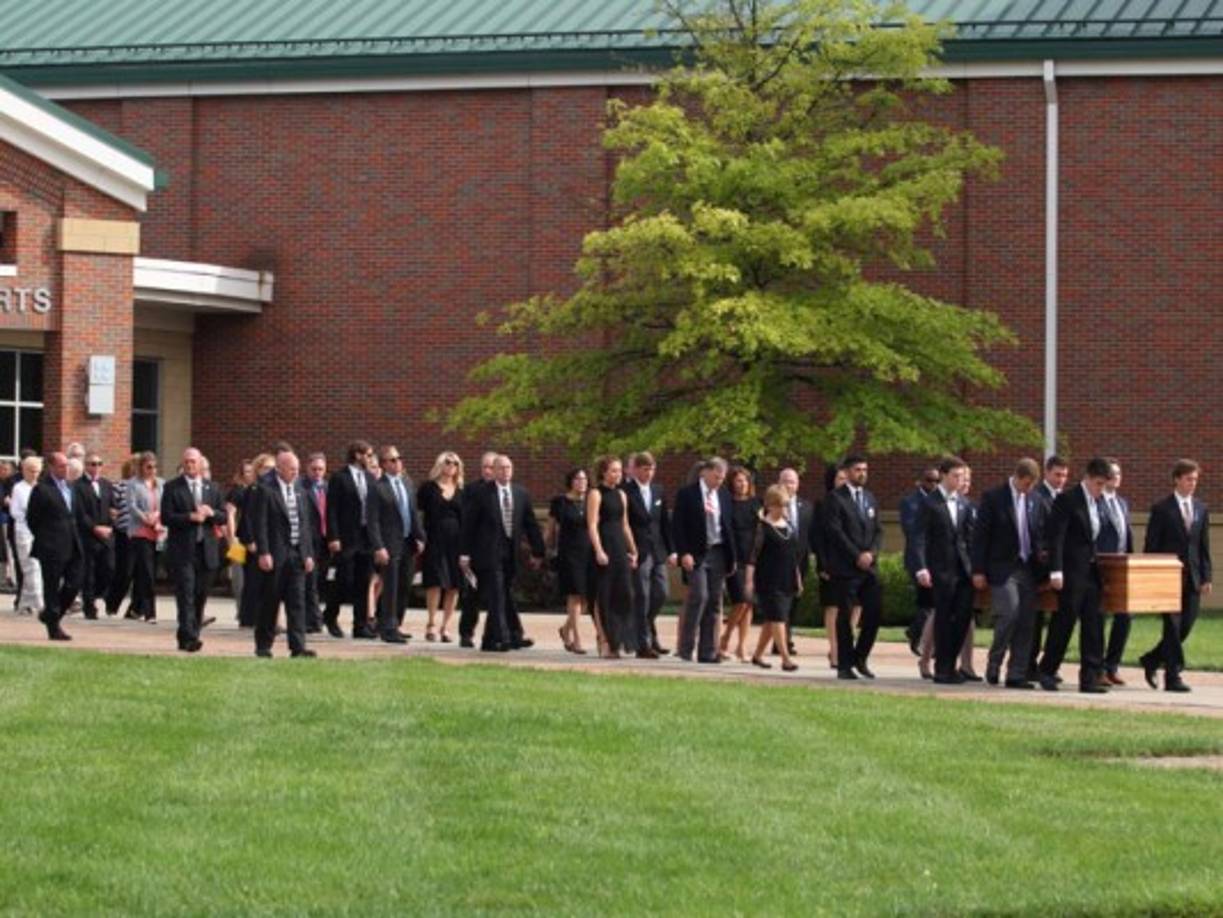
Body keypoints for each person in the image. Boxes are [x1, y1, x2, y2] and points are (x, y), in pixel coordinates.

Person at [1038, 457, 1112, 693]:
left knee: (1094, 624)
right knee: (1065, 622)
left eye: (1104, 485)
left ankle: (1089, 678)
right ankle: (1047, 670)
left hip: (1091, 571)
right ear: (1087, 478)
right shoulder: (1068, 500)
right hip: (1070, 571)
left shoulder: (1098, 503)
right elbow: (1056, 537)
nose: (1101, 489)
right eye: (1098, 483)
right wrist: (1056, 570)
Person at [1138, 459, 1212, 693]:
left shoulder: (1201, 508)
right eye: (1189, 479)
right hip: (1167, 577)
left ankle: (1151, 659)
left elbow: (1203, 546)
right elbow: (1151, 545)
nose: (1193, 483)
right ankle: (1174, 676)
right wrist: (1152, 575)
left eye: (1195, 479)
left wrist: (1206, 577)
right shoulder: (1162, 509)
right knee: (1172, 626)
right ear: (1177, 479)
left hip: (1193, 577)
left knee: (1185, 626)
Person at [459, 454, 545, 652]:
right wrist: (464, 553)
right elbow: (469, 526)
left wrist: (538, 550)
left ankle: (490, 640)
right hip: (488, 553)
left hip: (510, 552)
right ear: (494, 471)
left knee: (503, 594)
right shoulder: (481, 494)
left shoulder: (520, 493)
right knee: (497, 594)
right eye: (501, 468)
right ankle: (502, 637)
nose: (505, 471)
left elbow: (530, 524)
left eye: (508, 468)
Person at [972, 458, 1042, 689]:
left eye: (1032, 485)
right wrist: (978, 569)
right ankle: (995, 662)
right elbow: (980, 536)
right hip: (1002, 568)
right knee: (1009, 613)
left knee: (1026, 620)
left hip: (1027, 567)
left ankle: (1017, 673)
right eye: (1027, 484)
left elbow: (1039, 532)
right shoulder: (994, 498)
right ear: (1018, 477)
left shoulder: (1035, 499)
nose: (1029, 489)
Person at [912, 457, 974, 684]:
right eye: (955, 476)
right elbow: (918, 537)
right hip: (940, 569)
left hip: (963, 570)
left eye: (962, 476)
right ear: (944, 475)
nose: (960, 480)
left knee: (963, 617)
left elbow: (969, 537)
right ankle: (943, 669)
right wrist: (921, 567)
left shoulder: (964, 503)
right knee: (944, 619)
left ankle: (950, 663)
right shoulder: (930, 503)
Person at [252, 448, 318, 658]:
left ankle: (298, 647)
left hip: (296, 555)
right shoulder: (266, 490)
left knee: (297, 602)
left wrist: (307, 554)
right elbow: (260, 523)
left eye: (297, 468)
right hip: (275, 554)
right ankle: (263, 646)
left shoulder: (300, 490)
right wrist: (264, 552)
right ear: (279, 469)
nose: (295, 472)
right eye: (291, 469)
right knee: (270, 601)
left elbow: (305, 524)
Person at [823, 454, 884, 679]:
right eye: (858, 470)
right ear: (847, 472)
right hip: (846, 568)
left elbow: (878, 530)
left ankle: (861, 657)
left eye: (865, 470)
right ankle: (844, 664)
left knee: (875, 612)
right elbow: (835, 532)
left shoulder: (869, 497)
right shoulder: (835, 499)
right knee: (846, 616)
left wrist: (871, 553)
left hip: (869, 568)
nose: (862, 474)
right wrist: (856, 555)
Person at [672, 457, 736, 664]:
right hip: (696, 552)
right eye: (716, 476)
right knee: (699, 596)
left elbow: (728, 527)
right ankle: (685, 647)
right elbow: (678, 526)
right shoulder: (687, 494)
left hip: (718, 551)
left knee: (714, 601)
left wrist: (732, 558)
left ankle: (708, 651)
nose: (719, 481)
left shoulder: (724, 495)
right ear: (705, 472)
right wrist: (684, 553)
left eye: (722, 478)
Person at [162, 447, 225, 653]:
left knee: (200, 595)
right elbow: (166, 517)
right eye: (187, 461)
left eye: (193, 462)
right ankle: (189, 637)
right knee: (185, 594)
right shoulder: (172, 487)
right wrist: (189, 517)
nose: (190, 465)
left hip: (206, 550)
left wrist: (211, 513)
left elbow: (223, 516)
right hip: (183, 550)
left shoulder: (212, 488)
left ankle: (191, 634)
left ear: (200, 464)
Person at [25, 452, 87, 641]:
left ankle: (50, 614)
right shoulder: (42, 489)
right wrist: (46, 537)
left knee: (74, 582)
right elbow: (32, 518)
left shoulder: (70, 487)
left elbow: (75, 515)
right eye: (61, 466)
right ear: (51, 467)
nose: (65, 469)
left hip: (73, 543)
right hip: (51, 545)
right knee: (51, 586)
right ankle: (54, 627)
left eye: (66, 465)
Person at [367, 445, 424, 644]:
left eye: (399, 458)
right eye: (393, 459)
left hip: (408, 542)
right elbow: (372, 520)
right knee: (390, 586)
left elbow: (413, 513)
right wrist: (378, 546)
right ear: (383, 464)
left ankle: (395, 623)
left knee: (404, 585)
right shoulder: (377, 488)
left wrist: (421, 537)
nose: (398, 462)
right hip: (389, 543)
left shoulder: (407, 483)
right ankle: (388, 629)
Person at [621, 451, 675, 656]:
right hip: (638, 550)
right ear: (635, 470)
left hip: (658, 550)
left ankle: (643, 628)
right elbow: (624, 523)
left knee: (661, 592)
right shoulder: (625, 491)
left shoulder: (658, 490)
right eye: (645, 469)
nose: (649, 473)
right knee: (642, 595)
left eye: (652, 469)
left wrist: (672, 550)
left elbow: (664, 523)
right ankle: (643, 645)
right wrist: (628, 550)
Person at [587, 455, 640, 658]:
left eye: (619, 470)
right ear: (603, 472)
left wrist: (633, 550)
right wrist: (599, 550)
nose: (618, 474)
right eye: (614, 471)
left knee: (625, 594)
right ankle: (605, 640)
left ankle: (619, 638)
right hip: (604, 546)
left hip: (619, 547)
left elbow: (625, 525)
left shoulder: (621, 494)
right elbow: (592, 525)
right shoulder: (595, 494)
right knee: (604, 595)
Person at [325, 440, 377, 639]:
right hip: (346, 537)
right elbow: (331, 509)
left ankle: (360, 625)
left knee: (364, 581)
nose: (371, 459)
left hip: (366, 537)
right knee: (344, 579)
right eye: (368, 455)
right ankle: (330, 615)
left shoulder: (370, 478)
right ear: (357, 455)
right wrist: (333, 536)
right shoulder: (340, 478)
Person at [746, 485, 801, 672]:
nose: (781, 509)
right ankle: (786, 659)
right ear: (769, 505)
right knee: (779, 617)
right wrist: (749, 581)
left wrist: (797, 577)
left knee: (772, 619)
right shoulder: (762, 527)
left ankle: (757, 655)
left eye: (784, 505)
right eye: (778, 505)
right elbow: (752, 556)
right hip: (768, 579)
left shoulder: (789, 526)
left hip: (787, 577)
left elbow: (793, 555)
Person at [1026, 454, 1069, 680]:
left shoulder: (1065, 498)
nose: (1061, 480)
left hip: (1060, 565)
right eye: (1057, 475)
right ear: (1047, 472)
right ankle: (1029, 664)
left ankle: (1048, 665)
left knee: (1058, 616)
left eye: (1064, 475)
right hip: (1039, 566)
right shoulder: (1036, 496)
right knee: (1035, 618)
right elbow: (1035, 529)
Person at [418, 452, 464, 642]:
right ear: (440, 464)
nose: (451, 466)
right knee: (435, 582)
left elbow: (466, 520)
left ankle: (446, 626)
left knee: (454, 585)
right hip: (434, 541)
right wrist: (419, 537)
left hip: (456, 543)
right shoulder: (428, 488)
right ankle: (431, 624)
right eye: (448, 462)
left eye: (455, 463)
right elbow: (418, 514)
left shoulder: (462, 491)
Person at [1096, 459, 1133, 686]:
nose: (1117, 477)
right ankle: (1098, 667)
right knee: (1098, 617)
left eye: (1119, 473)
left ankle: (1112, 665)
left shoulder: (1122, 503)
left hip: (1121, 567)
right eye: (1113, 473)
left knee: (1125, 616)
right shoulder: (1096, 502)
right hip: (1101, 566)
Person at [548, 468, 593, 655]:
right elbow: (551, 528)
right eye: (577, 479)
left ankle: (566, 629)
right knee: (574, 595)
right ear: (570, 482)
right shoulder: (560, 502)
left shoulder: (592, 500)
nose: (581, 482)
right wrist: (545, 550)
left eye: (584, 479)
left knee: (587, 599)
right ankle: (577, 639)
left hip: (589, 553)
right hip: (569, 553)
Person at [718, 465, 760, 662]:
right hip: (735, 558)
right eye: (738, 481)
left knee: (749, 603)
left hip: (753, 558)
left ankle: (742, 646)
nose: (742, 484)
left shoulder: (756, 504)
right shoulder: (727, 503)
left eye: (745, 480)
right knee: (741, 601)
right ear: (732, 483)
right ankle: (725, 637)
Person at [457, 450, 498, 648]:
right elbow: (466, 524)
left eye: (491, 467)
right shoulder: (472, 490)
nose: (488, 471)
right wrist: (465, 552)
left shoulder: (505, 489)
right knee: (472, 595)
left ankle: (501, 633)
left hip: (497, 552)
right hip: (476, 552)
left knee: (499, 595)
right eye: (485, 467)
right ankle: (466, 633)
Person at [901, 465, 942, 655]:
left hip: (937, 559)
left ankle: (915, 631)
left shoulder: (940, 501)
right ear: (920, 481)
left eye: (937, 481)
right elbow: (912, 531)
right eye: (929, 480)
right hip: (917, 560)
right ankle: (917, 635)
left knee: (931, 602)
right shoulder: (910, 502)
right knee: (926, 601)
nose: (934, 484)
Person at [812, 464, 849, 670]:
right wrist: (823, 563)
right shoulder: (822, 505)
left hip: (852, 562)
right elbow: (818, 538)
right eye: (840, 479)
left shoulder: (855, 502)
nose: (844, 482)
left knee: (855, 605)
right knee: (833, 605)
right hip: (831, 563)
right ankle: (835, 650)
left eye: (846, 478)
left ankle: (845, 644)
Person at [775, 467, 813, 655]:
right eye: (785, 481)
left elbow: (811, 534)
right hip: (779, 561)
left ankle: (786, 637)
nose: (788, 485)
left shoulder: (806, 507)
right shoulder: (771, 506)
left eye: (792, 482)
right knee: (781, 601)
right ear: (778, 483)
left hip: (800, 560)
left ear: (798, 485)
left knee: (795, 600)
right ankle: (781, 641)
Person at [72, 452, 113, 619]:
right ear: (86, 466)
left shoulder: (106, 484)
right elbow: (79, 512)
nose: (96, 467)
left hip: (106, 535)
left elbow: (113, 507)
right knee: (88, 572)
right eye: (92, 464)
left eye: (99, 464)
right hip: (87, 535)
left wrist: (111, 522)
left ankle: (97, 594)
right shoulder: (77, 486)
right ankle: (89, 606)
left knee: (109, 568)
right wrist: (94, 528)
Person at [126, 452, 165, 622]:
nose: (152, 470)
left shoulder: (161, 484)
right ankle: (150, 612)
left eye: (155, 467)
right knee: (147, 572)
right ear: (142, 467)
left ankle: (136, 608)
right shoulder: (133, 484)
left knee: (149, 572)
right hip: (140, 532)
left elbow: (165, 504)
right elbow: (132, 506)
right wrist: (146, 518)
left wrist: (157, 516)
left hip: (158, 532)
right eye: (149, 467)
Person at [9, 454, 44, 616]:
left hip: (40, 531)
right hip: (23, 531)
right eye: (31, 471)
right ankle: (40, 602)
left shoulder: (41, 488)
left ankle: (24, 602)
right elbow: (15, 511)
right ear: (24, 470)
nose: (34, 474)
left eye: (36, 471)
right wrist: (31, 516)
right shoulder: (18, 488)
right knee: (31, 567)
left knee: (36, 567)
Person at [105, 455, 138, 617]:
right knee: (125, 572)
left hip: (144, 534)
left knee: (142, 574)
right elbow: (113, 508)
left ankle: (136, 609)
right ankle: (112, 603)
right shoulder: (119, 486)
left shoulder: (148, 486)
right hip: (124, 534)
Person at [301, 453, 329, 634]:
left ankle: (315, 617)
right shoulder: (301, 487)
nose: (317, 473)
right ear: (307, 468)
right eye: (314, 469)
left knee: (319, 580)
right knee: (309, 581)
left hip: (325, 541)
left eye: (321, 469)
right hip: (309, 540)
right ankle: (312, 620)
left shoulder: (328, 487)